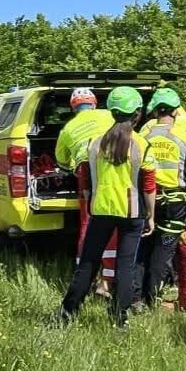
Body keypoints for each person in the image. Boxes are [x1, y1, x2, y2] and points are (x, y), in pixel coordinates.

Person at [55, 87, 152, 330]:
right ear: (137, 114)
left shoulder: (95, 144)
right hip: (132, 211)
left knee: (88, 262)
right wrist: (151, 214)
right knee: (125, 266)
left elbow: (85, 179)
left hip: (100, 210)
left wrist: (90, 199)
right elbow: (149, 185)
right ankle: (120, 319)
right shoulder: (141, 144)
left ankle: (68, 312)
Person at [136, 87, 186, 309]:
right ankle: (154, 300)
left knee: (142, 249)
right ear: (175, 112)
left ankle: (135, 298)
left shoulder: (143, 135)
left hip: (147, 199)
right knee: (163, 252)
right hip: (175, 203)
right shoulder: (184, 137)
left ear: (154, 111)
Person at [56, 88, 116, 294]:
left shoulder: (68, 128)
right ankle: (107, 281)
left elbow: (61, 161)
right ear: (94, 103)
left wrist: (69, 167)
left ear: (74, 108)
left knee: (88, 223)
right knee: (112, 218)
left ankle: (85, 278)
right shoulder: (108, 115)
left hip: (85, 170)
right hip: (111, 168)